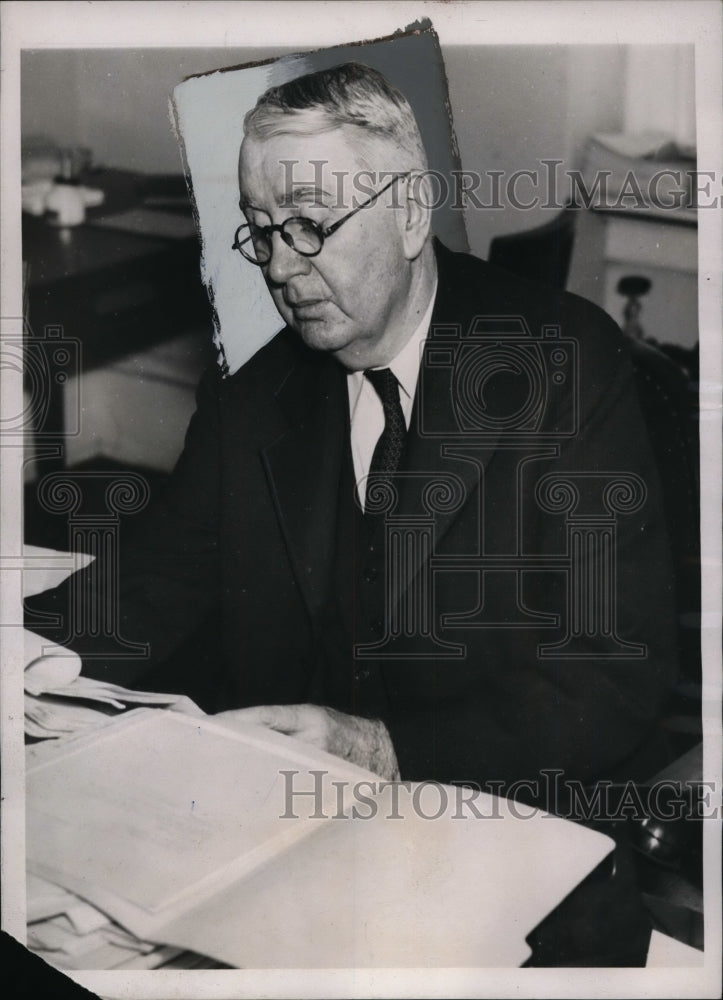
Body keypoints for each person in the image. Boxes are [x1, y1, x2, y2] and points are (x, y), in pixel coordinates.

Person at [26, 62, 680, 800]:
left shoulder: (561, 361)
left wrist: (381, 747)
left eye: (309, 223)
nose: (279, 266)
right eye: (262, 231)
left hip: (505, 806)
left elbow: (612, 675)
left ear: (408, 213)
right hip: (306, 811)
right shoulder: (253, 392)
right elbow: (156, 579)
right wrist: (18, 650)